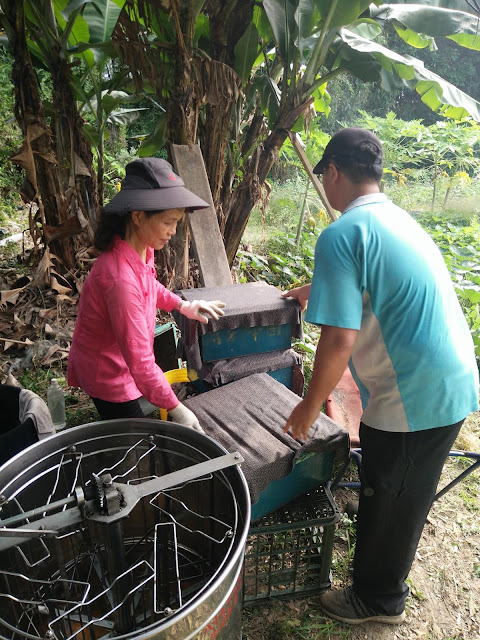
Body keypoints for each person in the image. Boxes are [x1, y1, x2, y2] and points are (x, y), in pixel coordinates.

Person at [282, 128, 479, 625]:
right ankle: (381, 563)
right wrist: (315, 287)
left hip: (417, 395)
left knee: (392, 497)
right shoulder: (393, 218)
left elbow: (338, 339)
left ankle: (378, 600)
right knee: (398, 488)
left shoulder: (342, 231)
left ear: (332, 172)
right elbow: (380, 277)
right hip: (449, 374)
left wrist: (309, 405)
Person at [68, 158, 225, 431]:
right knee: (131, 438)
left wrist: (183, 305)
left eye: (177, 222)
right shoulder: (119, 280)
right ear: (138, 216)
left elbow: (149, 286)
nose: (173, 231)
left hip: (121, 361)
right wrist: (179, 410)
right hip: (106, 372)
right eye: (168, 222)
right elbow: (141, 363)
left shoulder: (140, 249)